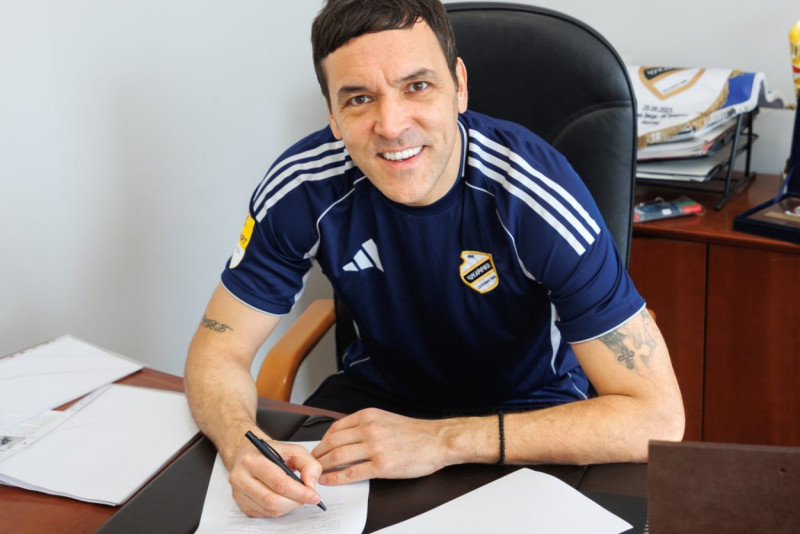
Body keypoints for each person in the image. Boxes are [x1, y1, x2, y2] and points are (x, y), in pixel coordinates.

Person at [184, 0, 685, 519]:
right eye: (359, 98)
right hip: (377, 407)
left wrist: (442, 440)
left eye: (417, 86)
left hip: (529, 411)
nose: (391, 124)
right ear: (332, 113)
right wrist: (241, 445)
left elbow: (656, 417)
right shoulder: (301, 186)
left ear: (459, 86)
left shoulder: (535, 195)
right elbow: (218, 350)